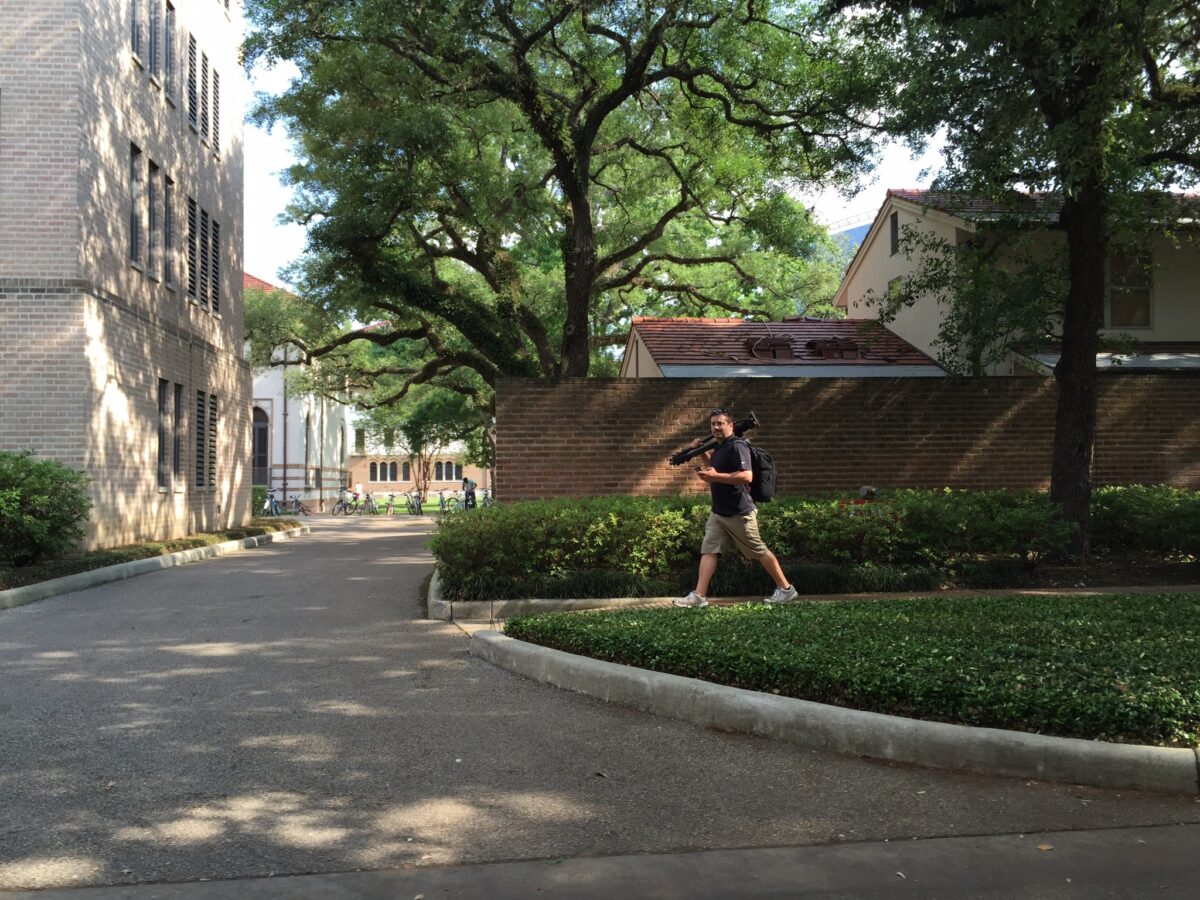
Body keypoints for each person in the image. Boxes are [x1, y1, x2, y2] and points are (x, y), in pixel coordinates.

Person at [675, 408, 797, 608]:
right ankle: (698, 596)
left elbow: (746, 476)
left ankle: (786, 589)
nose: (715, 427)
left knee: (758, 550)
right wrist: (703, 453)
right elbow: (714, 468)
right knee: (709, 550)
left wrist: (715, 476)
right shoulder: (720, 446)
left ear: (730, 425)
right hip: (719, 511)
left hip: (739, 512)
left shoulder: (737, 446)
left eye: (720, 423)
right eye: (713, 424)